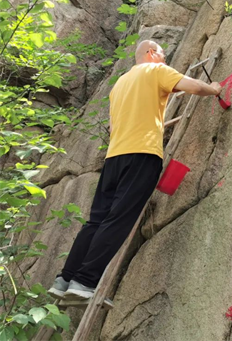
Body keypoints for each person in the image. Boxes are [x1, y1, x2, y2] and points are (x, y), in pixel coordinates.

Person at [48, 40, 222, 300]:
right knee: (118, 219)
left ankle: (64, 279)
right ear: (151, 53)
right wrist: (215, 89)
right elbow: (195, 86)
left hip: (114, 157)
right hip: (142, 154)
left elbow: (115, 122)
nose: (164, 58)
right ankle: (84, 282)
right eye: (162, 53)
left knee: (96, 220)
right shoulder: (156, 71)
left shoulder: (119, 84)